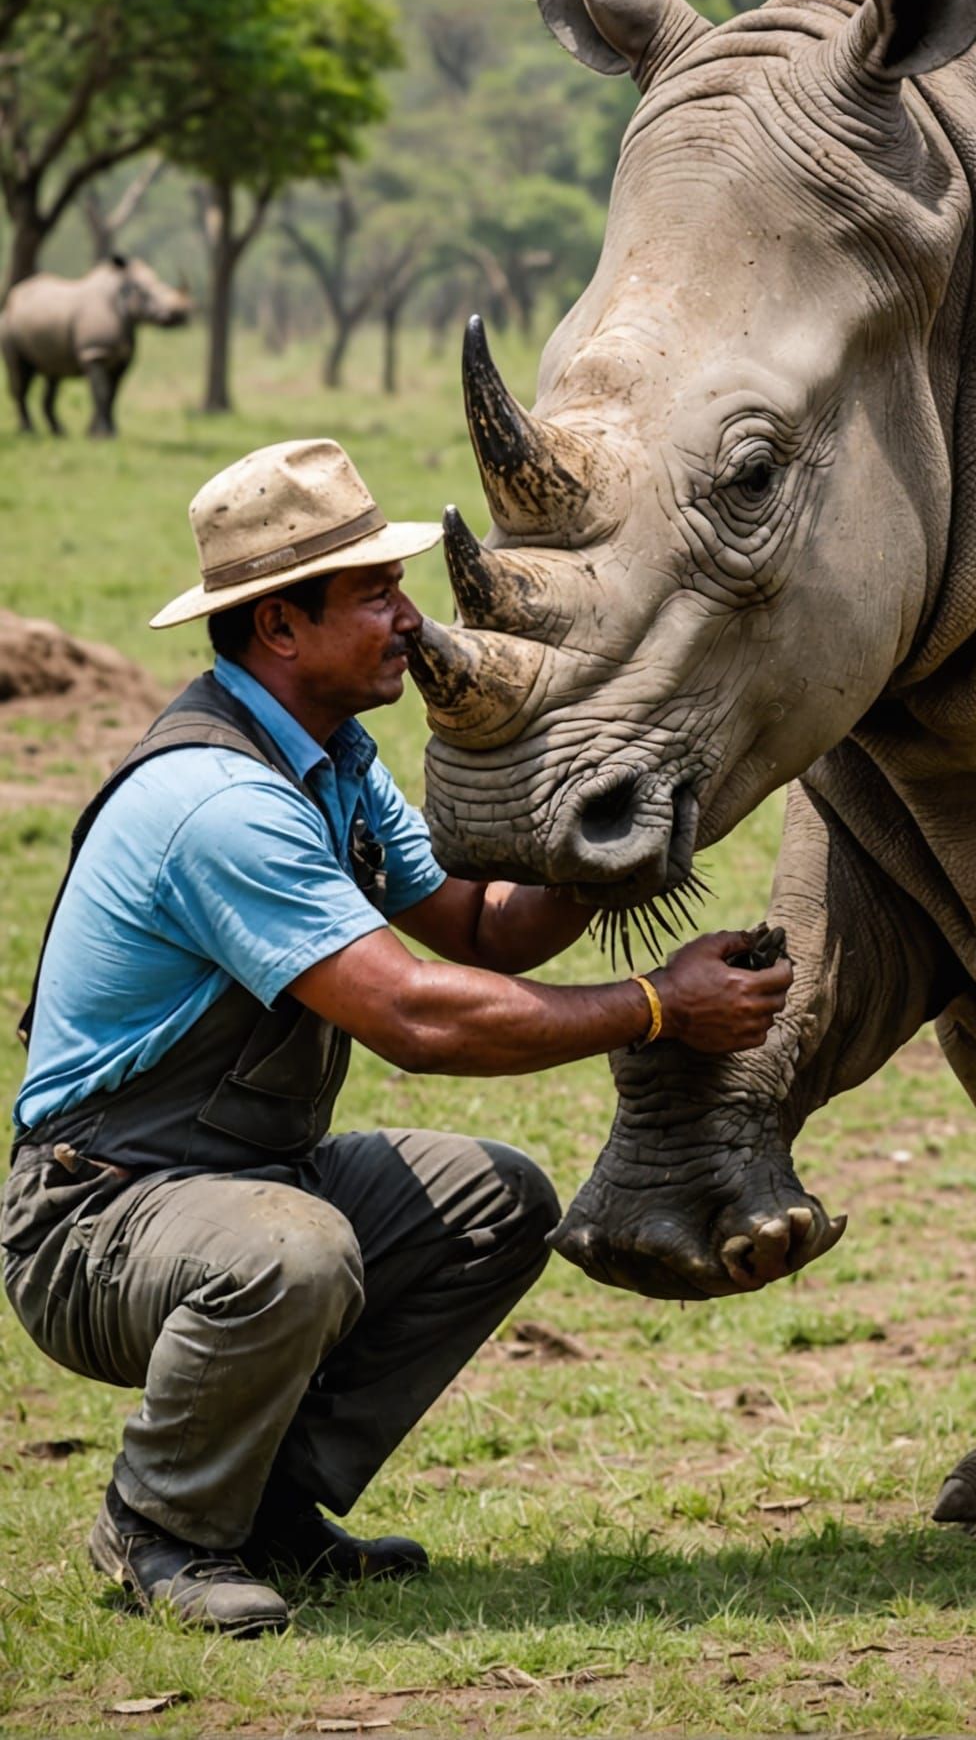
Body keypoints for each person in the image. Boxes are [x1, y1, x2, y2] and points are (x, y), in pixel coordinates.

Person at [1, 437, 792, 1637]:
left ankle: (265, 1509)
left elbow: (476, 925)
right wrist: (656, 1008)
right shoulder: (223, 804)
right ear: (280, 629)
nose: (409, 621)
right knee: (292, 1254)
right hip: (95, 1216)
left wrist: (602, 838)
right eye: (374, 595)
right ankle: (156, 1526)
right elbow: (416, 1015)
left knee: (492, 1202)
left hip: (235, 1180)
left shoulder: (330, 762)